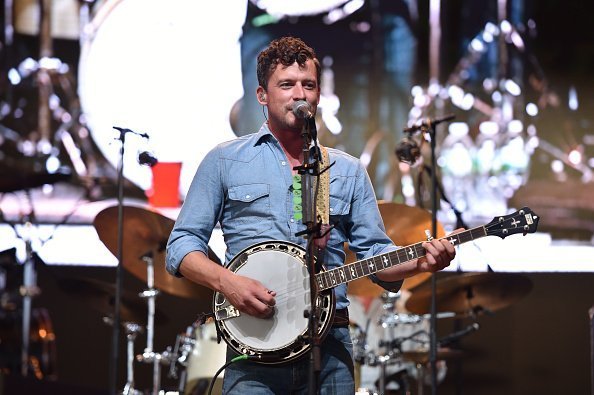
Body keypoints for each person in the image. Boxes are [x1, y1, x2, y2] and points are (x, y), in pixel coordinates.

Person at [166, 36, 457, 394]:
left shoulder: (346, 170)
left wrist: (421, 263)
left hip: (330, 340)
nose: (299, 94)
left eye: (309, 85)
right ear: (262, 95)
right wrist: (228, 283)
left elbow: (377, 258)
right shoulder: (225, 160)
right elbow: (181, 246)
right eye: (286, 85)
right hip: (254, 349)